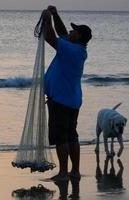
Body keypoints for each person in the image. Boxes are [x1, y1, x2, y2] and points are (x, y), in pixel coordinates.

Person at [42, 5, 92, 181]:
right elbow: (62, 33)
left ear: (78, 37)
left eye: (75, 30)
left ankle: (63, 173)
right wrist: (55, 15)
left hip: (61, 101)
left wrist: (47, 18)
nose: (71, 31)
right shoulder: (78, 50)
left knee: (61, 137)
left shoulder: (70, 50)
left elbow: (49, 37)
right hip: (72, 100)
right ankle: (75, 171)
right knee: (72, 135)